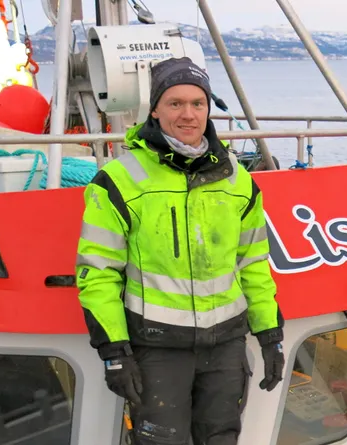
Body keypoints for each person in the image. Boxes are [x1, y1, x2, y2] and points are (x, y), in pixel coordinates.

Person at [75, 57, 285, 445]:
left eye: (197, 103)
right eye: (175, 103)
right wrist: (114, 352)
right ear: (155, 109)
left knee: (221, 437)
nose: (188, 114)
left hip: (225, 347)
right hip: (157, 348)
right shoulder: (119, 180)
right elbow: (97, 272)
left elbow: (254, 263)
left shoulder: (238, 180)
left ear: (208, 109)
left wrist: (270, 335)